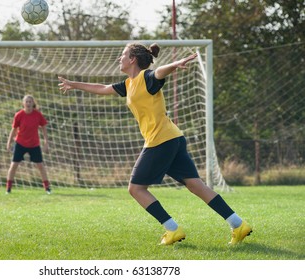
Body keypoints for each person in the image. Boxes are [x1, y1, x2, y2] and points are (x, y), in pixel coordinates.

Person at [58, 42, 252, 245]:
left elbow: (159, 72)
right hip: (173, 138)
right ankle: (238, 224)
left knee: (136, 189)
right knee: (195, 185)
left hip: (160, 140)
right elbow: (103, 88)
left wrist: (175, 64)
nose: (119, 58)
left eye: (122, 55)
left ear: (132, 59)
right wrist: (74, 84)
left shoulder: (146, 78)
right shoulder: (128, 84)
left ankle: (172, 229)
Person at [6, 95, 51, 194]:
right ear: (23, 103)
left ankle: (47, 188)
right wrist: (9, 143)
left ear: (33, 103)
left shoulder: (38, 115)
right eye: (27, 101)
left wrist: (46, 142)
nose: (28, 103)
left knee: (40, 165)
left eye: (30, 101)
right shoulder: (19, 115)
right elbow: (13, 129)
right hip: (20, 143)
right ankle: (8, 189)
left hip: (34, 144)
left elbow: (43, 127)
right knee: (14, 165)